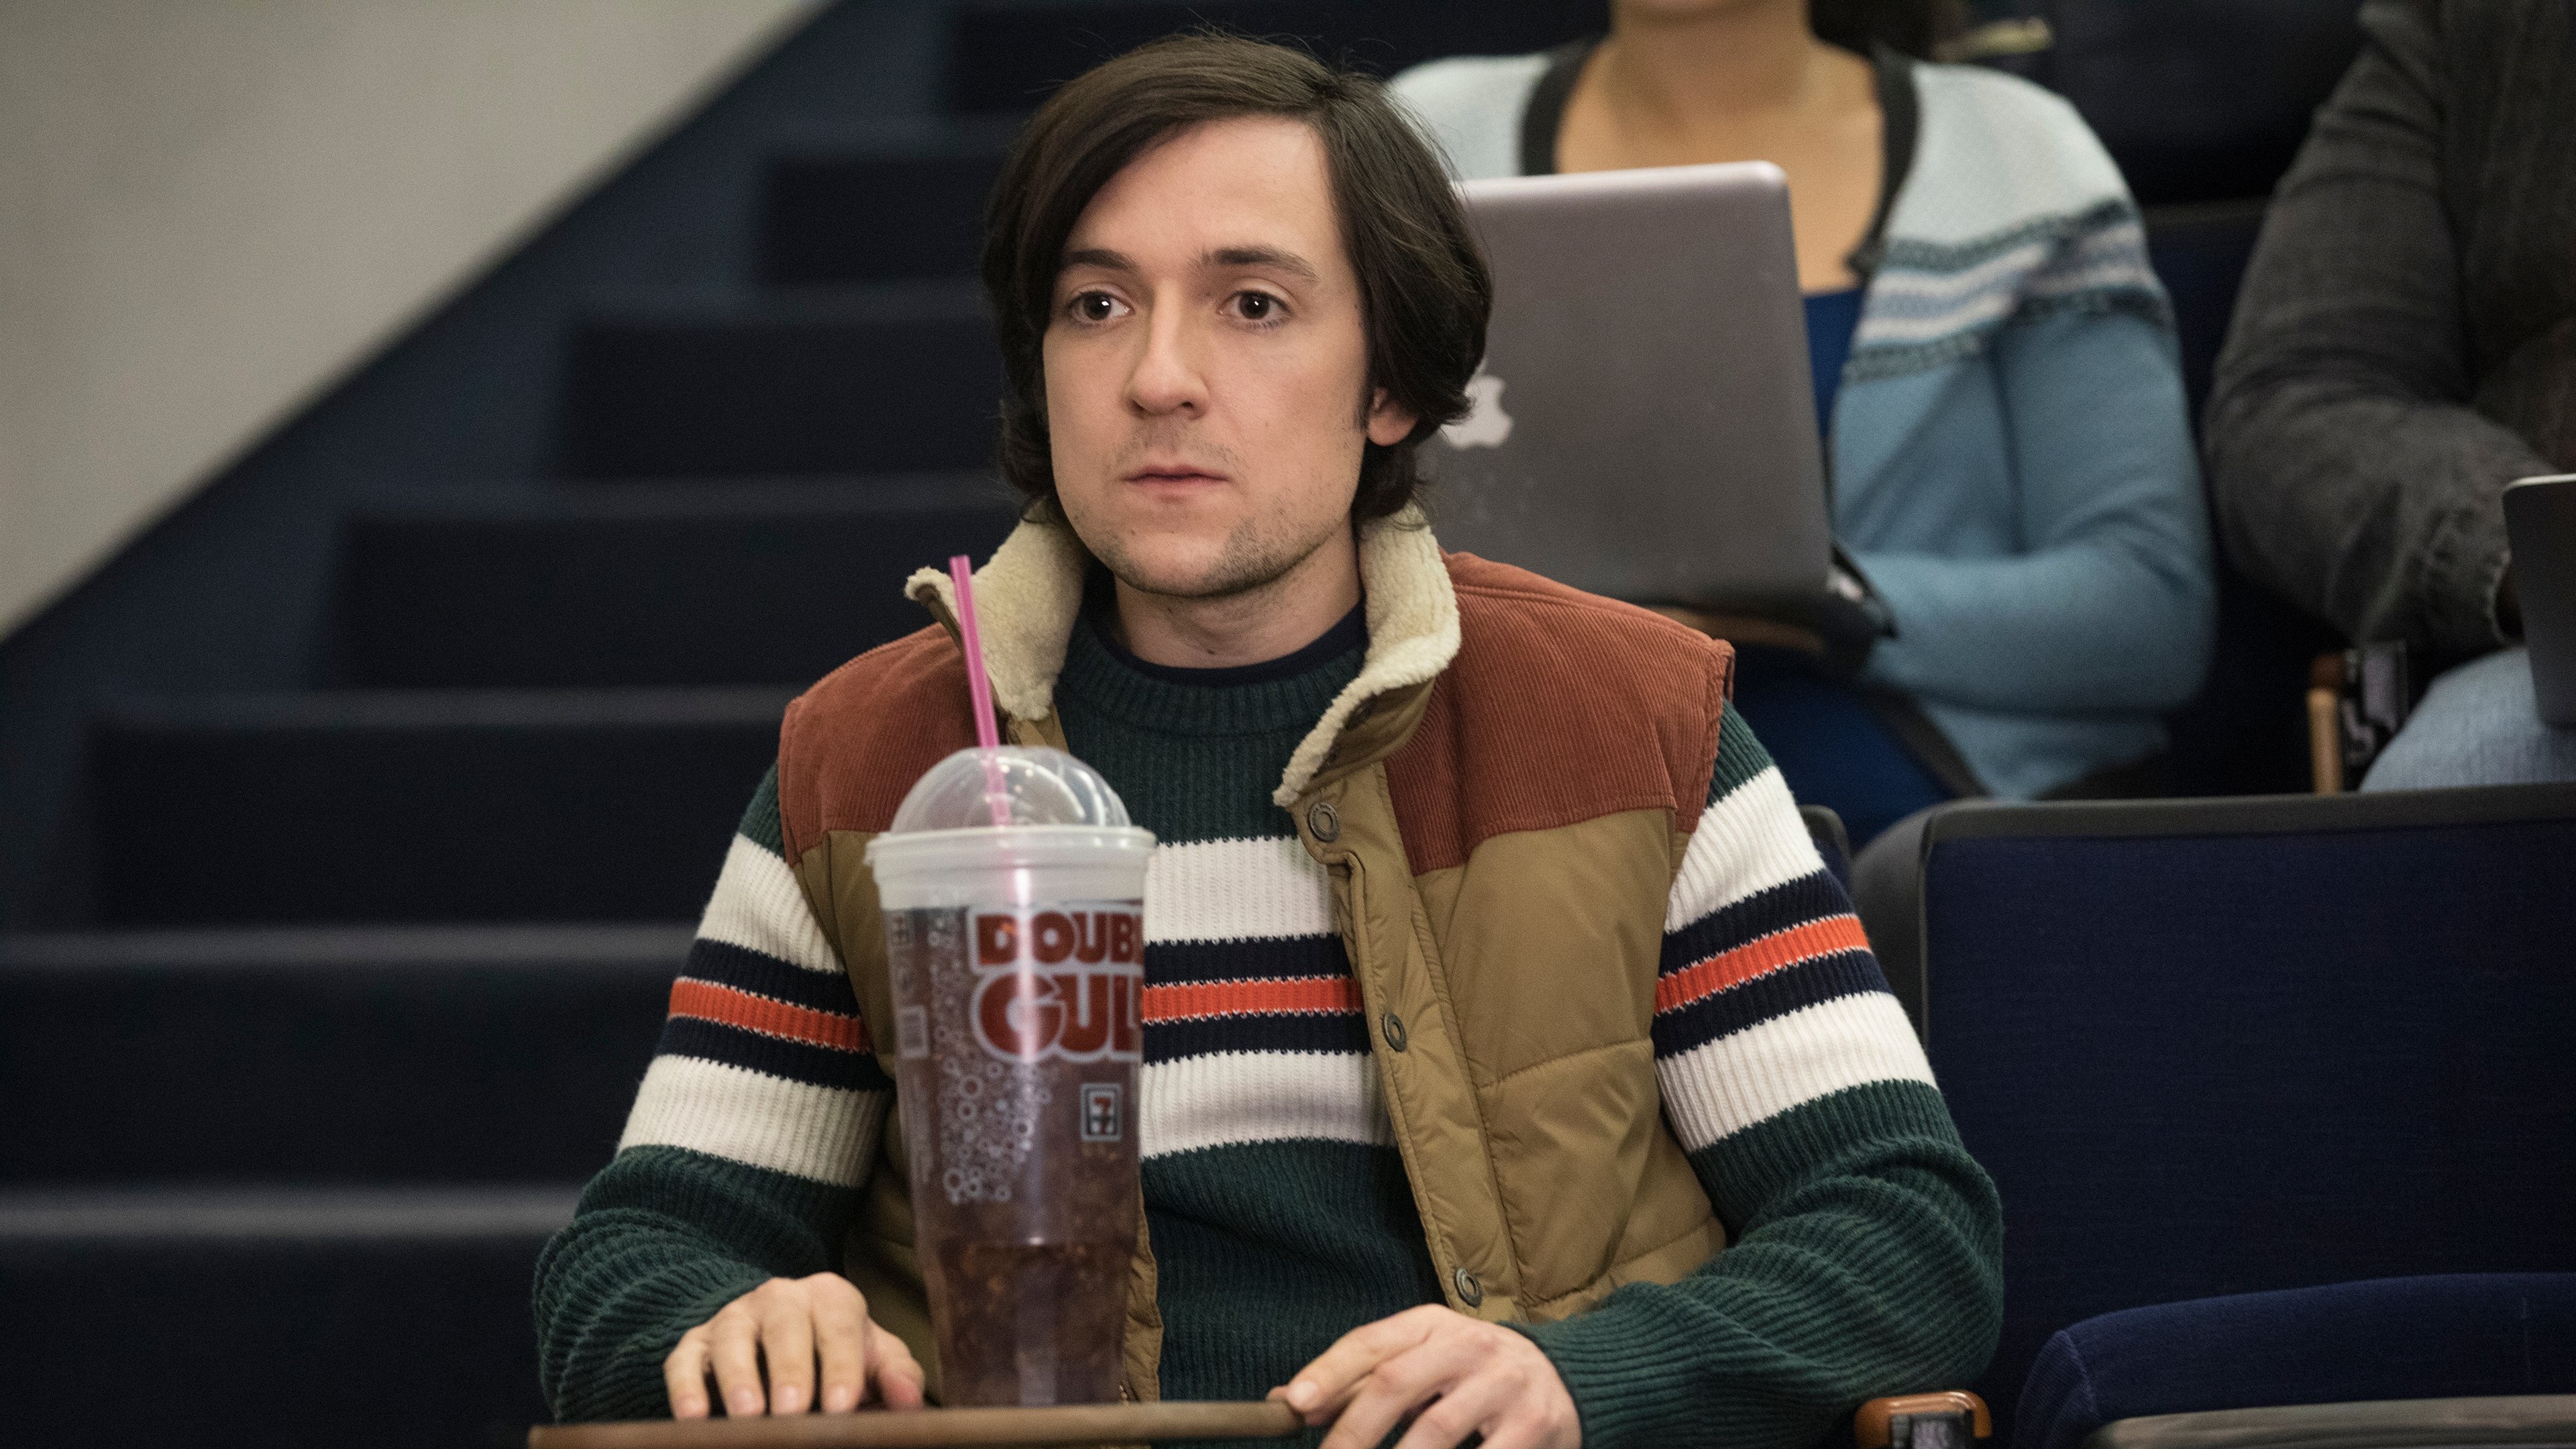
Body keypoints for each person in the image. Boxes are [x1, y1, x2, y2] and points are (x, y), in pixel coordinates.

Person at [533, 36, 2002, 1449]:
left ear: (1395, 384)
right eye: (1095, 306)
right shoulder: (875, 761)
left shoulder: (1627, 721)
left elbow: (1909, 1237)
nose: (1157, 377)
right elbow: (630, 1268)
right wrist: (726, 1324)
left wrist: (1582, 1383)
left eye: (1252, 304)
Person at [1391, 0, 2216, 842]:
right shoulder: (1422, 136)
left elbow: (2148, 611)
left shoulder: (2018, 151)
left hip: (1930, 837)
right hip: (1517, 823)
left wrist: (1831, 606)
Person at [2204, 0, 2576, 791]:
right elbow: (2296, 394)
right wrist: (2524, 552)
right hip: (2538, 663)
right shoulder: (2481, 27)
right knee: (2459, 773)